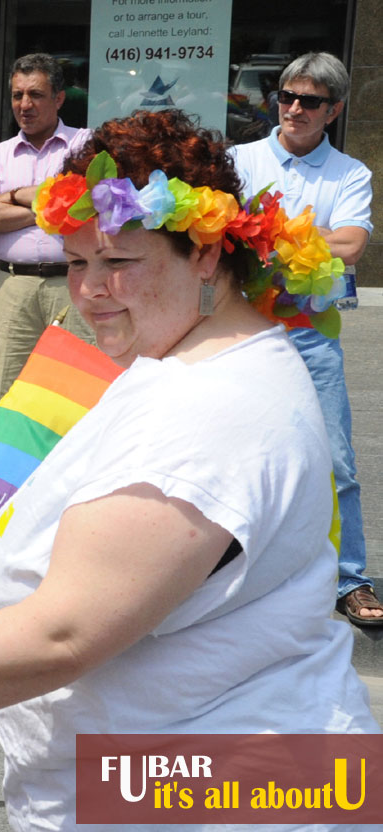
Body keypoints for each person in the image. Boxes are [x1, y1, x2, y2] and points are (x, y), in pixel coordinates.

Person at [0, 110, 377, 828]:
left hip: (220, 791)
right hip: (161, 782)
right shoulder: (173, 355)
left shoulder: (211, 411)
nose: (89, 288)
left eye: (119, 262)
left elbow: (66, 630)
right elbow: (45, 559)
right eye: (76, 261)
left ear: (208, 256)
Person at [230, 52, 379, 628]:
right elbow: (214, 229)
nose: (294, 109)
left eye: (310, 101)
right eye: (287, 97)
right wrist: (307, 235)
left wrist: (264, 230)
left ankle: (351, 579)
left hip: (313, 332)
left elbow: (350, 247)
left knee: (336, 460)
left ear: (334, 110)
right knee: (239, 457)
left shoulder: (350, 173)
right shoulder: (240, 160)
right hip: (241, 329)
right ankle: (236, 572)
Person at [0, 53, 95, 405]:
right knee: (11, 396)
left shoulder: (85, 146)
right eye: (17, 95)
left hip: (74, 284)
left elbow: (86, 204)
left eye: (36, 94)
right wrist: (51, 205)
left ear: (59, 98)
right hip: (14, 287)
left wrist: (11, 198)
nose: (24, 104)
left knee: (77, 395)